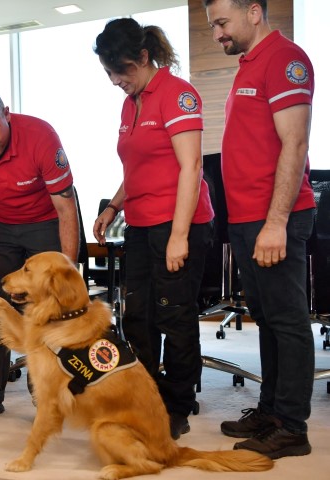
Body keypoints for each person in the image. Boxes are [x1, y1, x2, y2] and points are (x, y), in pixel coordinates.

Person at [92, 18, 214, 440]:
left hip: (178, 224)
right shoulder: (131, 103)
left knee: (174, 315)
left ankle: (177, 405)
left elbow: (191, 166)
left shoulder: (177, 94)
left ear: (143, 58)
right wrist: (113, 205)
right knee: (137, 316)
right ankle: (146, 398)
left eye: (120, 71)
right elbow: (140, 168)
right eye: (109, 73)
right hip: (141, 226)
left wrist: (179, 236)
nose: (114, 81)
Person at [204, 0, 316, 459]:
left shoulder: (286, 60)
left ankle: (292, 427)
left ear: (254, 12)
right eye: (212, 26)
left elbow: (295, 142)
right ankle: (272, 411)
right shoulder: (249, 65)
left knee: (287, 321)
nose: (217, 34)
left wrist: (276, 222)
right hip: (250, 218)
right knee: (266, 319)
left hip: (276, 217)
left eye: (222, 23)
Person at [0, 84, 79, 426]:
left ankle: (49, 392)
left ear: (6, 112)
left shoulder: (40, 136)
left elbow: (66, 209)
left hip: (45, 221)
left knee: (50, 309)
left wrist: (69, 269)